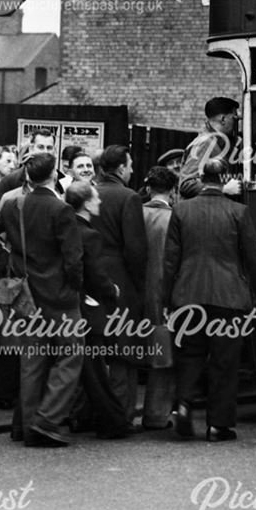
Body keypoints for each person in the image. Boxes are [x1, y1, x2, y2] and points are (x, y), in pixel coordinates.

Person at [0, 152, 84, 447]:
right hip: (59, 296)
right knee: (71, 356)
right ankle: (48, 420)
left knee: (32, 361)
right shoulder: (61, 210)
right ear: (54, 175)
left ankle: (26, 425)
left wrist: (8, 262)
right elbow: (74, 261)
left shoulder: (13, 204)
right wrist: (76, 288)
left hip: (25, 295)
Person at [164, 158, 256, 443]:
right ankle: (218, 426)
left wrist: (165, 299)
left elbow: (170, 260)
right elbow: (254, 259)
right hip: (229, 298)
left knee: (189, 355)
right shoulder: (239, 212)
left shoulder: (181, 210)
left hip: (187, 295)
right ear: (225, 179)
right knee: (224, 361)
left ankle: (183, 404)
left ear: (201, 177)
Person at [64, 180, 126, 439]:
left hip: (67, 306)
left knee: (84, 368)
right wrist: (111, 289)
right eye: (96, 198)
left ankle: (84, 416)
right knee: (95, 369)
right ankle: (112, 422)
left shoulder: (65, 229)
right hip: (88, 308)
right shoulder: (90, 235)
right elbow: (95, 273)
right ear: (87, 204)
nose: (99, 201)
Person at [94, 145, 147, 429]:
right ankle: (119, 416)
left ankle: (90, 413)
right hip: (120, 279)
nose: (133, 170)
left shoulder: (86, 192)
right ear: (121, 168)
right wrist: (139, 285)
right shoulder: (129, 197)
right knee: (122, 353)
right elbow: (136, 249)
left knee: (93, 349)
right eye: (130, 165)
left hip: (89, 278)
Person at [139, 165, 178, 430]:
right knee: (163, 358)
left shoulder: (135, 214)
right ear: (173, 191)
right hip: (164, 294)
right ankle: (156, 415)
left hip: (135, 293)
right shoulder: (175, 218)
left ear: (149, 188)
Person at [178, 96, 243, 199]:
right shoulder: (205, 143)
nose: (236, 122)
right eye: (234, 118)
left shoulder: (215, 142)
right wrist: (224, 189)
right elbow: (186, 184)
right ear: (223, 119)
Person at [0, 129, 61, 211]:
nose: (45, 152)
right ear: (31, 149)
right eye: (40, 147)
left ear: (54, 150)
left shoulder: (60, 181)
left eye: (49, 148)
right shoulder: (9, 182)